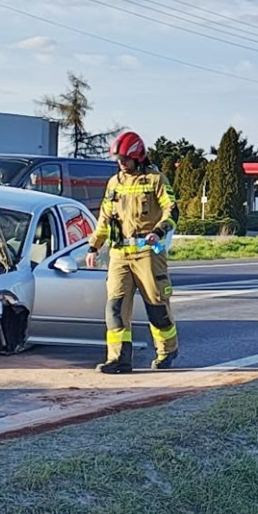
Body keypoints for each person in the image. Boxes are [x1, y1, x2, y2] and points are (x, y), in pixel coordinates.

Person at [86, 131, 179, 373]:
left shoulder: (156, 179)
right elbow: (104, 217)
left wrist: (159, 232)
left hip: (148, 252)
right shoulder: (114, 183)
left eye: (125, 159)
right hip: (119, 254)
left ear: (138, 157)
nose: (121, 163)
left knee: (156, 306)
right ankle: (118, 359)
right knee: (115, 308)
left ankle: (167, 350)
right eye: (118, 159)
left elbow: (172, 210)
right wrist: (94, 246)